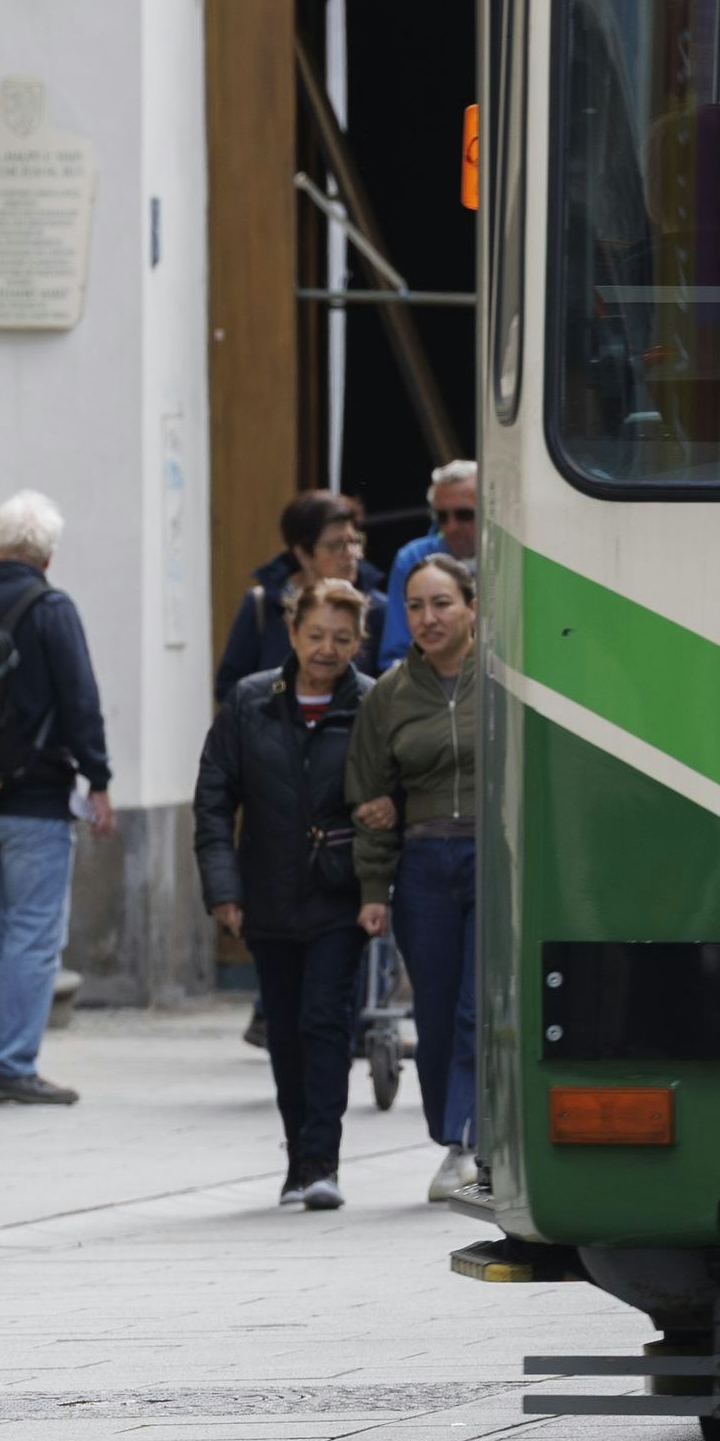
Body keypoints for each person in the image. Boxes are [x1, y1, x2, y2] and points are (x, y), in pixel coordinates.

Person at [0, 491, 111, 1106]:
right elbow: (80, 698)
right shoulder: (51, 609)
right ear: (47, 557)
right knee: (34, 931)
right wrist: (99, 779)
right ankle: (8, 1062)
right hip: (33, 801)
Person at [195, 577, 372, 1211]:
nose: (327, 650)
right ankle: (298, 1159)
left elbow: (387, 798)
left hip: (338, 893)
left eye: (342, 639)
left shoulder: (369, 705)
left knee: (327, 1022)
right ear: (293, 632)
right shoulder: (250, 701)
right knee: (287, 1031)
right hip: (266, 891)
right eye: (316, 635)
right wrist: (223, 888)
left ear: (359, 642)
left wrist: (377, 880)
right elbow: (215, 799)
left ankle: (323, 1160)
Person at [352, 552, 483, 1204]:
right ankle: (451, 1135)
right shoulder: (390, 694)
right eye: (416, 606)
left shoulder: (508, 679)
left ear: (473, 608)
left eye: (442, 604)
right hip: (425, 867)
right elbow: (370, 798)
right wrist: (374, 892)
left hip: (496, 856)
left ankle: (470, 1140)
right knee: (432, 1013)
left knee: (474, 1007)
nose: (428, 618)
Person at [220, 490, 385, 700]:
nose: (351, 554)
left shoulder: (376, 608)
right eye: (335, 545)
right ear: (303, 554)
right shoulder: (263, 604)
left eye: (354, 541)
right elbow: (229, 688)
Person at [377, 462, 478, 667]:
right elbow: (395, 655)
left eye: (464, 515)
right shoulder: (413, 558)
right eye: (441, 517)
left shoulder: (517, 558)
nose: (451, 527)